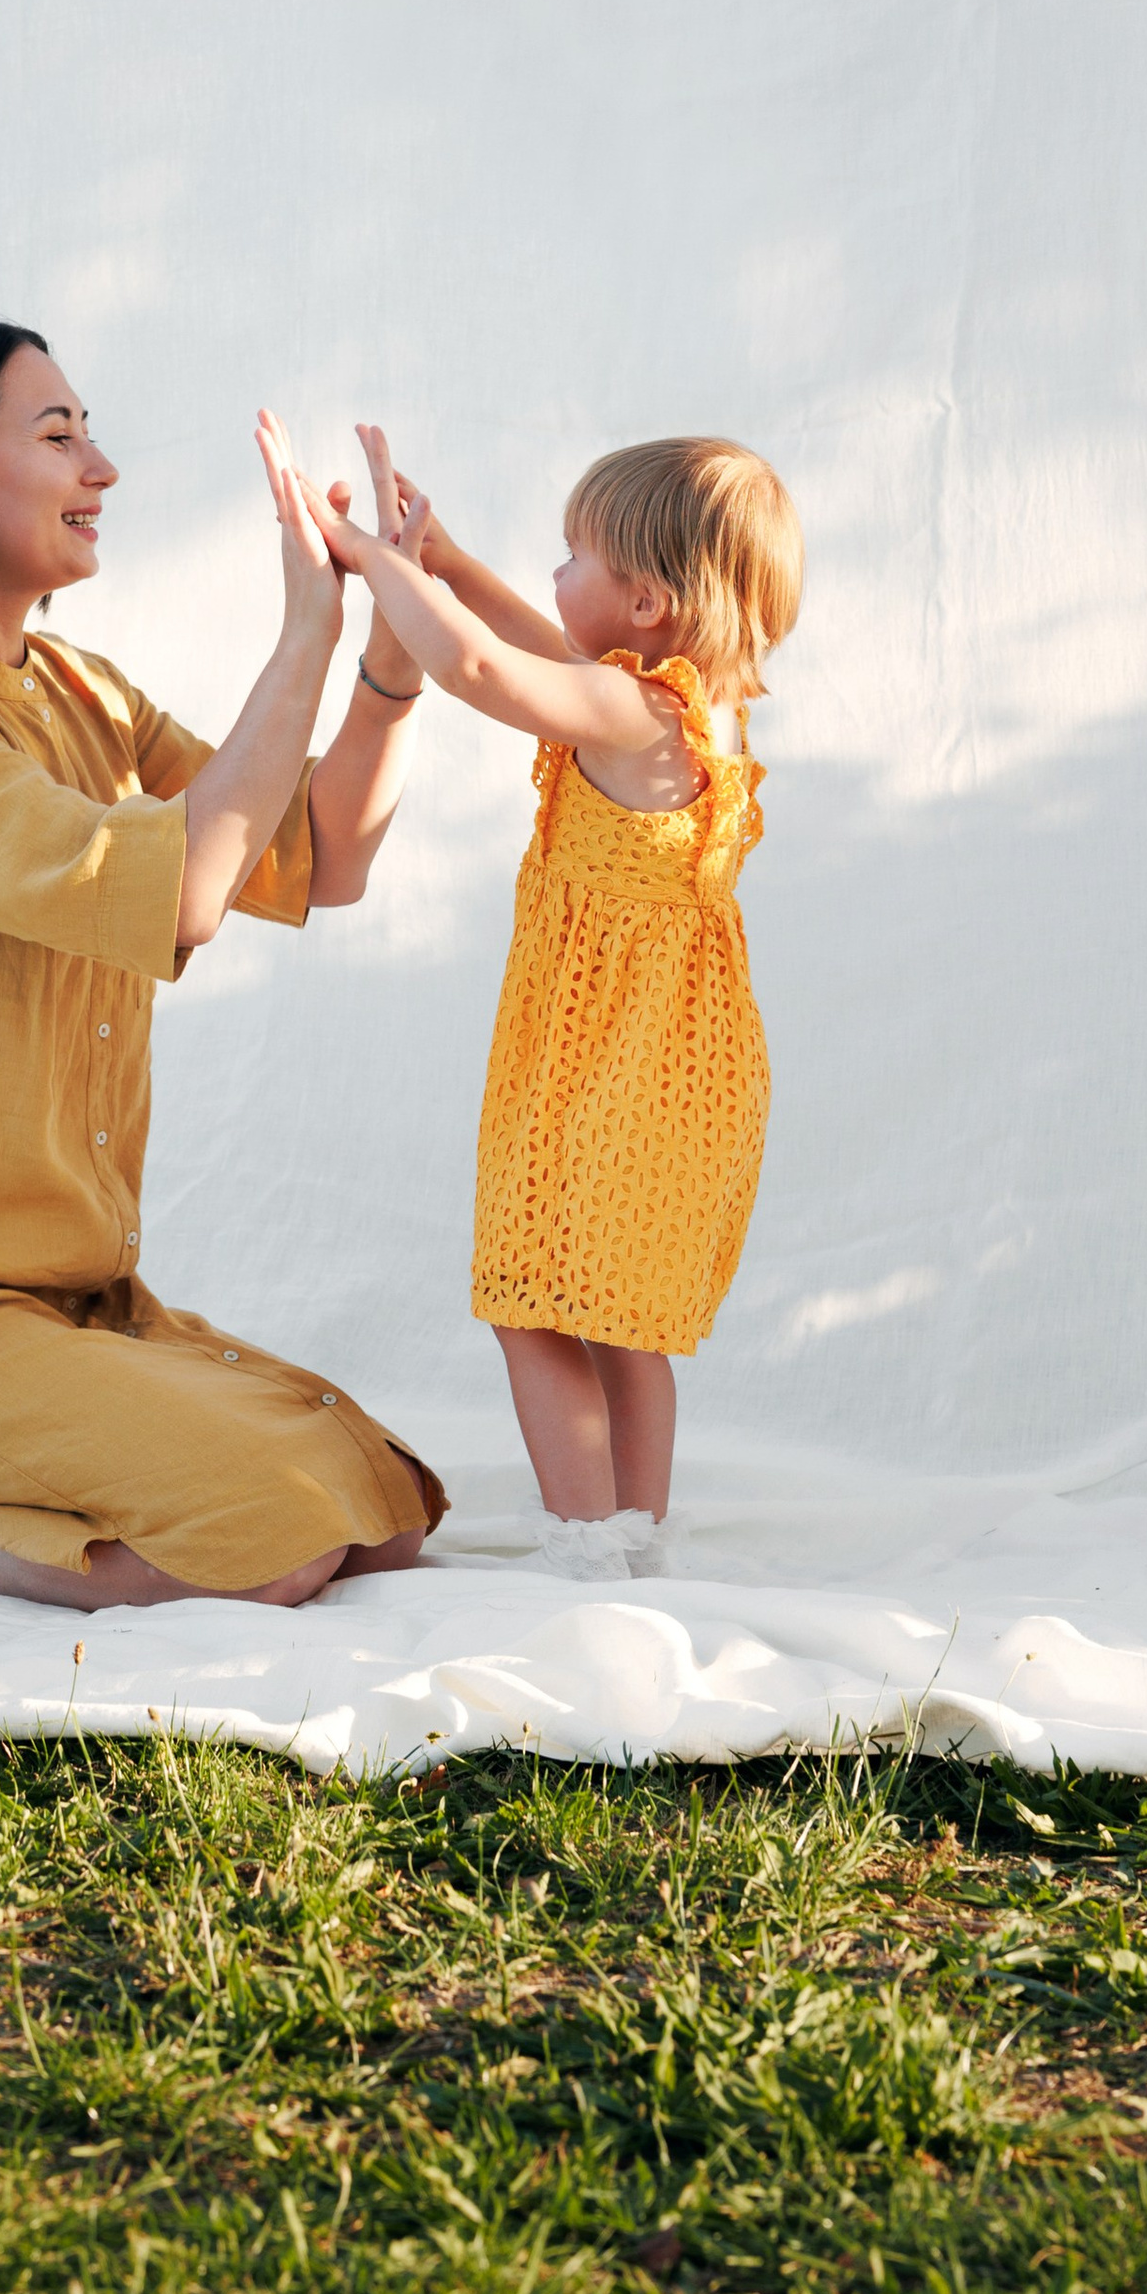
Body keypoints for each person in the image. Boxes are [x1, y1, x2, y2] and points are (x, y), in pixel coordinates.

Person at [0, 319, 444, 1609]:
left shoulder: (79, 690)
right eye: (59, 436)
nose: (101, 468)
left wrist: (387, 660)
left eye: (89, 431)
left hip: (57, 1306)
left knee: (381, 1511)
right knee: (277, 1541)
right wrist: (304, 636)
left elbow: (315, 857)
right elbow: (185, 892)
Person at [301, 426, 802, 1579]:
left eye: (572, 556)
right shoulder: (682, 714)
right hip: (678, 1073)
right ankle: (636, 1534)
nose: (555, 577)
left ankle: (582, 1547)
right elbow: (539, 653)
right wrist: (447, 560)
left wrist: (373, 564)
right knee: (621, 1318)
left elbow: (481, 671)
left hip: (604, 1070)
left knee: (534, 1298)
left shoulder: (631, 719)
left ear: (647, 603)